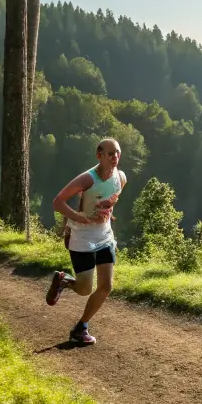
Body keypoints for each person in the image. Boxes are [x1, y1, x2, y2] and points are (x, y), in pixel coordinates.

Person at [45, 138, 128, 345]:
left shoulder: (121, 177)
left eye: (117, 153)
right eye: (110, 153)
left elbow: (113, 197)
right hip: (82, 235)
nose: (115, 157)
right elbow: (58, 202)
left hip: (104, 235)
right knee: (84, 289)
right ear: (99, 155)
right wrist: (80, 217)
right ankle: (64, 280)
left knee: (106, 285)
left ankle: (81, 327)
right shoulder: (87, 179)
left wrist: (108, 210)